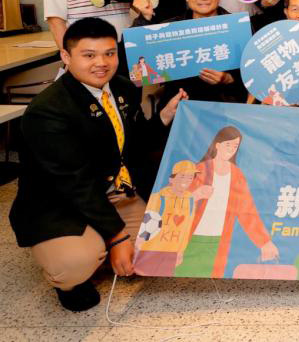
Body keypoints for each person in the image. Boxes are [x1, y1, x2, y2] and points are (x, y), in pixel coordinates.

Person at [9, 17, 186, 311]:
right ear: (66, 56)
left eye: (109, 53)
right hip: (62, 202)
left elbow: (133, 143)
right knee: (76, 262)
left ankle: (102, 242)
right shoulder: (48, 110)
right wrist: (117, 238)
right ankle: (71, 274)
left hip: (116, 191)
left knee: (163, 244)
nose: (101, 63)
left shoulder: (122, 87)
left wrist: (165, 116)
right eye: (89, 55)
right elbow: (73, 183)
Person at [175, 126, 279, 278]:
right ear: (217, 145)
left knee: (211, 281)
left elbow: (247, 211)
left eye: (235, 146)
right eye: (228, 144)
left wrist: (264, 242)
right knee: (180, 277)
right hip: (191, 238)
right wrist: (195, 195)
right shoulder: (200, 169)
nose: (231, 149)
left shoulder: (236, 174)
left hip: (218, 241)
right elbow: (176, 202)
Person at [133, 0, 246, 108]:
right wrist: (144, 18)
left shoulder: (237, 27)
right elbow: (138, 66)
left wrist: (228, 79)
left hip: (227, 106)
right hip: (179, 106)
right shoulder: (170, 29)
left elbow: (254, 74)